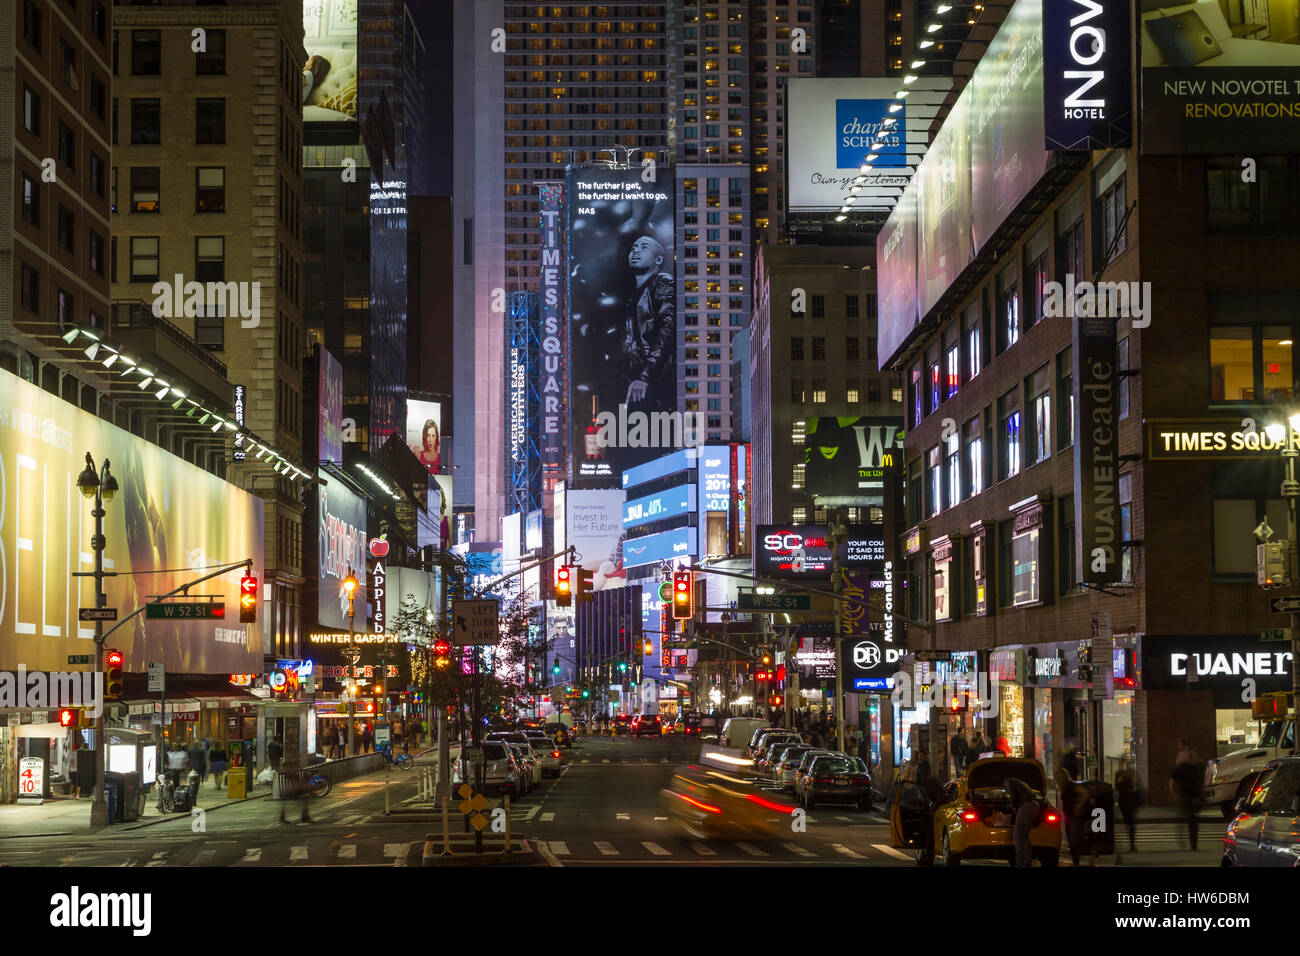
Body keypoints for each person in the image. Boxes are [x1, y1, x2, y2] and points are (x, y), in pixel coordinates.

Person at [619, 236, 675, 412]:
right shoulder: (636, 295)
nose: (635, 250)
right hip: (640, 385)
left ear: (658, 259)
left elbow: (667, 330)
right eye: (634, 247)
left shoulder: (662, 283)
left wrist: (646, 375)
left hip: (655, 385)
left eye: (644, 247)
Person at [1170, 738, 1204, 850]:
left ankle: (1184, 840)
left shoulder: (1180, 767)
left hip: (1185, 797)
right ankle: (1192, 844)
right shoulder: (1195, 767)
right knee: (1192, 821)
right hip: (1191, 797)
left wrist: (1174, 794)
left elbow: (1172, 782)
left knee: (1186, 819)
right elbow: (1200, 782)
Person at [1056, 766, 1089, 865]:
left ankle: (1076, 861)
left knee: (1074, 839)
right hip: (1068, 815)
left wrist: (1078, 806)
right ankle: (1075, 860)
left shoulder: (1071, 785)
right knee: (1070, 838)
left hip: (1074, 815)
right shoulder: (1063, 787)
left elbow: (1084, 793)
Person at [1007, 776, 1040, 867]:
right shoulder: (1019, 782)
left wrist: (1012, 806)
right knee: (1024, 835)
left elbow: (1014, 795)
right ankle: (1027, 861)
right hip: (1034, 805)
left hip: (1026, 806)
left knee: (1017, 835)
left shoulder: (1008, 781)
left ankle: (1020, 862)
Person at [1114, 759, 1139, 861]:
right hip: (1125, 801)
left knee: (1131, 823)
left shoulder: (1131, 773)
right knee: (1128, 823)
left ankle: (1132, 844)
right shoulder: (1119, 774)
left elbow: (1135, 785)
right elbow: (1117, 786)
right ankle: (1131, 844)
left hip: (1130, 801)